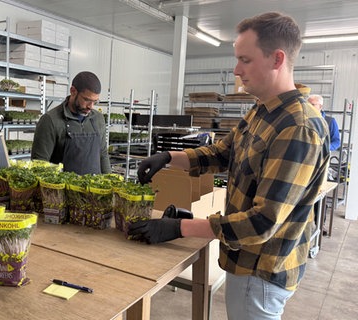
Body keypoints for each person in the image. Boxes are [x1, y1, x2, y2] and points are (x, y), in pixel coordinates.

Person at [131, 12, 330, 319]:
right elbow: (221, 154)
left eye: (245, 60)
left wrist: (180, 228)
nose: (237, 70)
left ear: (277, 59)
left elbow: (262, 222)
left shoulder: (297, 129)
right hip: (244, 261)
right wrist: (169, 158)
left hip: (261, 270)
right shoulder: (262, 111)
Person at [31, 71, 111, 175]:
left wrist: (110, 182)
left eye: (95, 101)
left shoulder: (98, 118)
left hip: (94, 189)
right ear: (73, 91)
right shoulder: (50, 120)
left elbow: (103, 154)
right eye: (86, 100)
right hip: (62, 190)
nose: (91, 106)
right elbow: (39, 164)